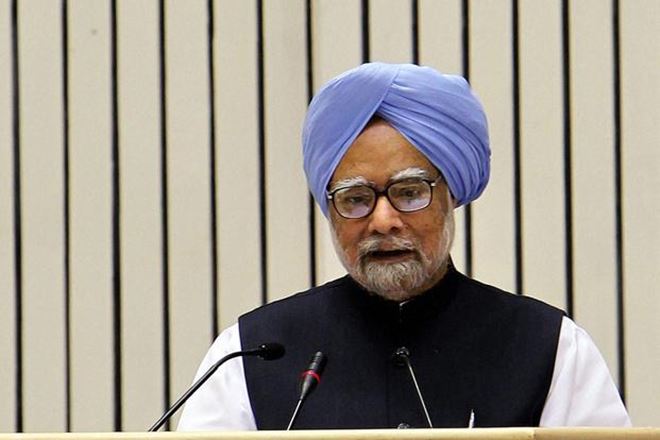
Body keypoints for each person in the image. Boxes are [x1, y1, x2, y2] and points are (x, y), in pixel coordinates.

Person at [177, 63, 631, 430]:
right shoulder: (251, 353)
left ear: (451, 194)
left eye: (410, 192)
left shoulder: (548, 347)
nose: (383, 220)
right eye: (355, 198)